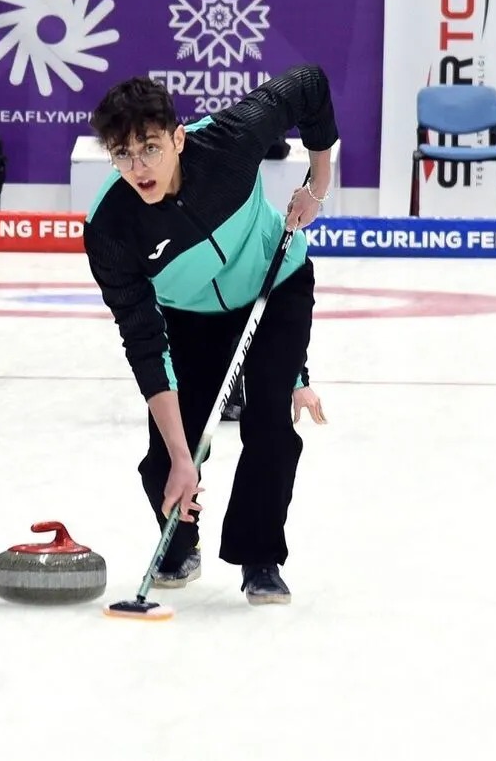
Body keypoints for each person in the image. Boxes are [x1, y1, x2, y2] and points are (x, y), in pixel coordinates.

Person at [82, 63, 337, 606]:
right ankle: (178, 542)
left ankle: (259, 556)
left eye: (149, 148)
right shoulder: (111, 228)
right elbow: (144, 344)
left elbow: (311, 85)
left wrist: (319, 185)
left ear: (178, 137)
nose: (138, 167)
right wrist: (181, 454)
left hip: (276, 280)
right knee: (168, 448)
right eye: (122, 154)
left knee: (270, 424)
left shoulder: (230, 139)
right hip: (188, 312)